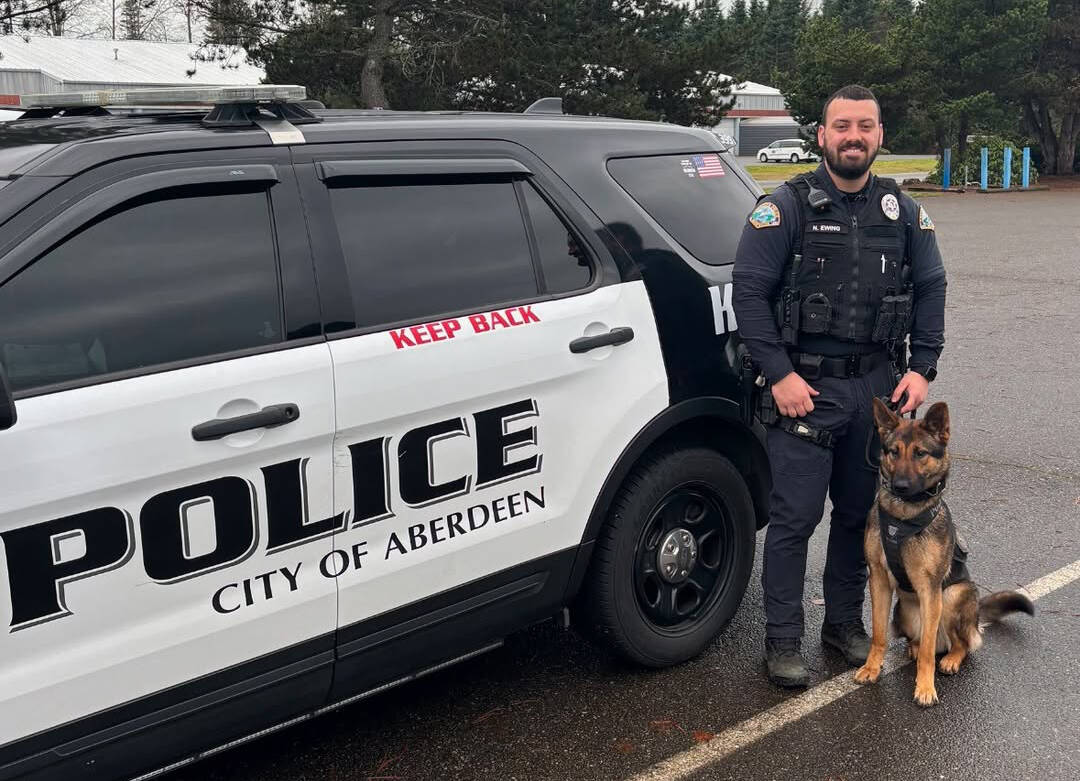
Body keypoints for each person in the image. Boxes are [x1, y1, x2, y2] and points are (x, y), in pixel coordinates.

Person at [732, 85, 947, 688]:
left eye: (866, 127)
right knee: (795, 519)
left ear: (880, 136)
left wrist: (920, 367)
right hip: (806, 387)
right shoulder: (786, 207)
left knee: (858, 517)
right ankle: (782, 641)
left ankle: (844, 626)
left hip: (878, 393)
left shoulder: (902, 212)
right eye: (842, 126)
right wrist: (778, 374)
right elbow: (748, 293)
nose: (854, 137)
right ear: (821, 136)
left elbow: (932, 287)